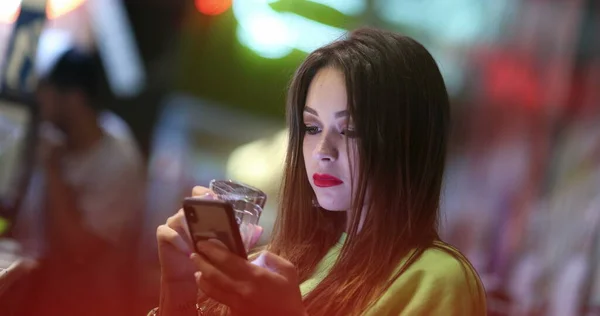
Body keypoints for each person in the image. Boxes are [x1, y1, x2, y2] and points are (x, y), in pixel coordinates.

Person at [153, 27, 486, 316]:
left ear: (407, 139)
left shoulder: (437, 278)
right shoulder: (283, 257)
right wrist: (179, 288)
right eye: (312, 127)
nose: (323, 152)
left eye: (351, 130)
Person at [11, 48, 146, 315]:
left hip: (79, 304)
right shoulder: (51, 136)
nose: (40, 98)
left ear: (74, 98)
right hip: (28, 289)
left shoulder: (119, 160)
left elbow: (79, 247)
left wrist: (53, 171)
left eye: (47, 89)